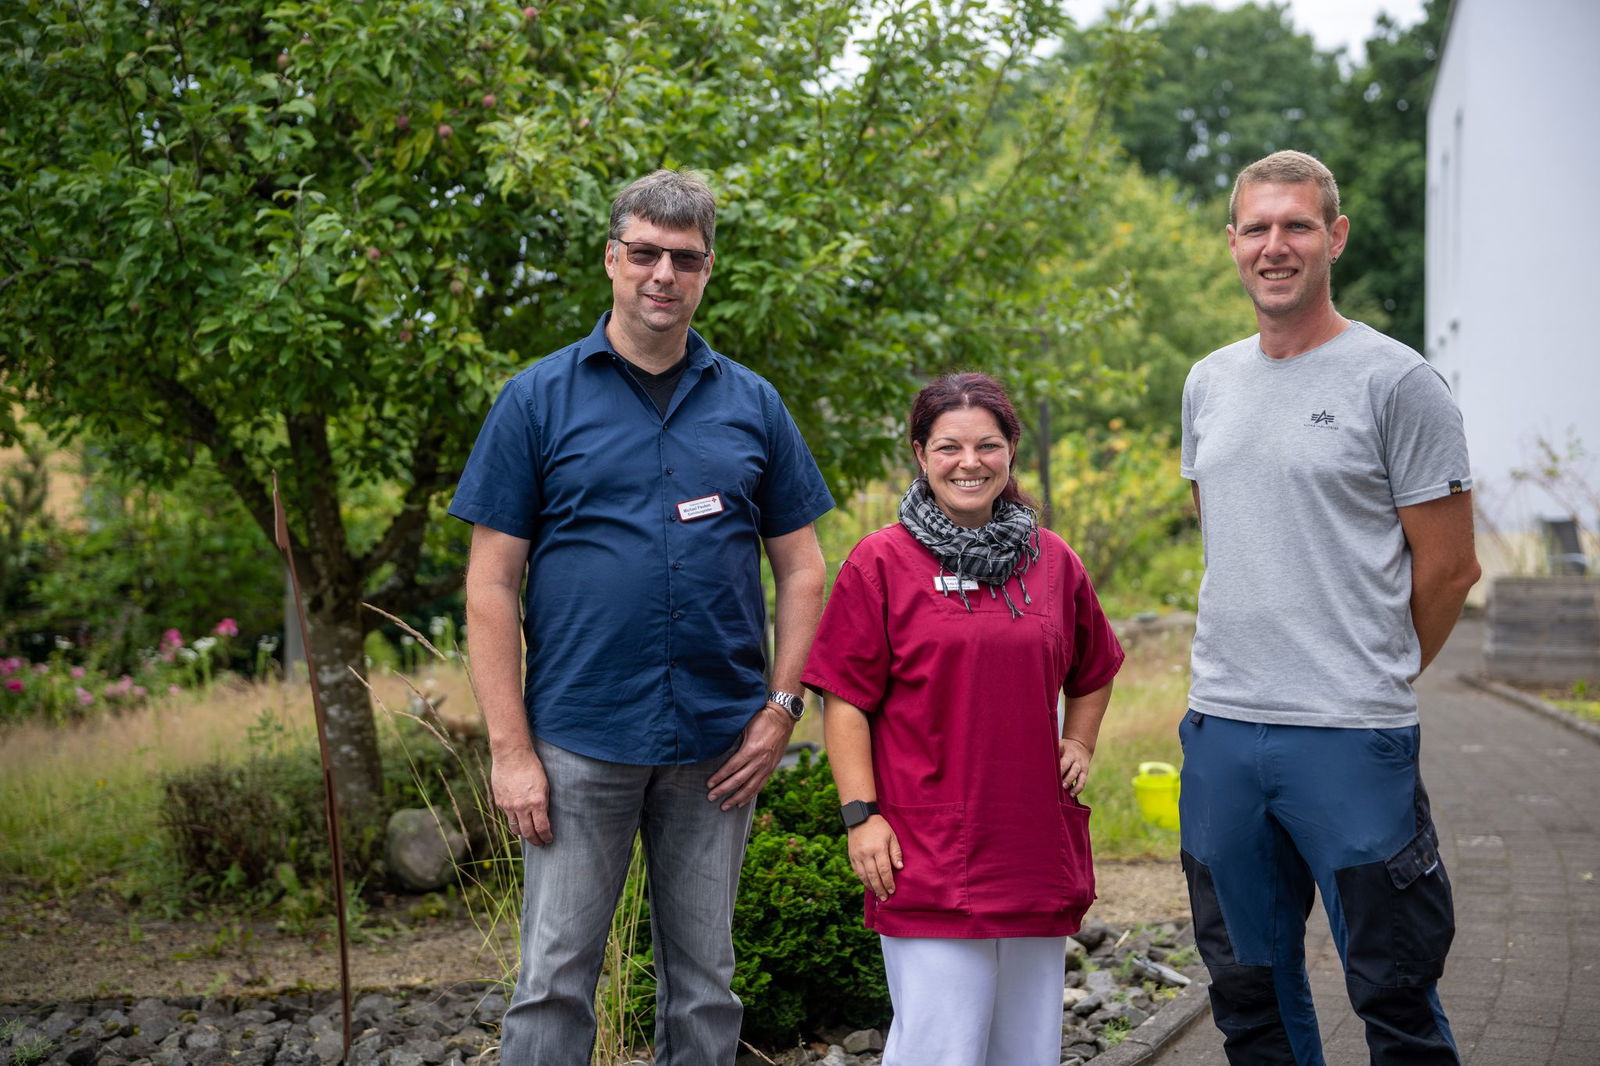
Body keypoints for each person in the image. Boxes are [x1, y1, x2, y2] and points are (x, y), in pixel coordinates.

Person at [450, 169, 834, 1066]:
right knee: (552, 982)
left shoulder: (753, 404)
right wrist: (510, 753)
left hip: (718, 746)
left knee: (705, 989)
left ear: (707, 272)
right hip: (580, 740)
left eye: (685, 259)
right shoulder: (536, 401)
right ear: (612, 259)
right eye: (646, 254)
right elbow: (490, 587)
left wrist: (782, 709)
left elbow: (805, 568)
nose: (664, 274)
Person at [1179, 150, 1481, 1065]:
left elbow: (1450, 570)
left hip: (1352, 733)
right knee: (1246, 987)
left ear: (1334, 237)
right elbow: (1222, 530)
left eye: (1297, 225)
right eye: (1258, 227)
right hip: (1223, 730)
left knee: (1392, 988)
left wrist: (1376, 668)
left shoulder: (1398, 383)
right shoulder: (1208, 382)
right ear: (1233, 242)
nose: (1277, 246)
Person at [802, 372, 1124, 1066]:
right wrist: (862, 817)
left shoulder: (1052, 560)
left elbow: (1095, 668)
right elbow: (845, 701)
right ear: (921, 455)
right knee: (940, 1048)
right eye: (949, 446)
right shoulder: (880, 563)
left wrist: (1080, 740)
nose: (969, 462)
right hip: (926, 853)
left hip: (1031, 849)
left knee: (1027, 1051)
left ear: (1011, 451)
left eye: (987, 444)